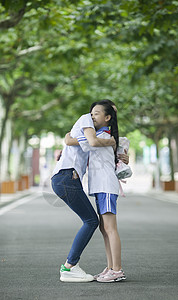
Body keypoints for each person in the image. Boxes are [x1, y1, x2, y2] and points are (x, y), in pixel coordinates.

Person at [65, 101, 127, 283]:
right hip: (101, 187)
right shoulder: (104, 135)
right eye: (91, 114)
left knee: (110, 228)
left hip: (106, 186)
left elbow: (69, 139)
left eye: (96, 114)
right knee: (104, 228)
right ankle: (110, 267)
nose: (91, 117)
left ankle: (117, 269)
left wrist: (70, 134)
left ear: (108, 118)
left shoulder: (101, 135)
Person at [51, 112, 116, 282]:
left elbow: (77, 141)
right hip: (66, 177)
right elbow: (90, 142)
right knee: (91, 221)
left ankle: (70, 266)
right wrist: (110, 142)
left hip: (67, 178)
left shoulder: (92, 132)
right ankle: (69, 266)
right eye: (95, 112)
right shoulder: (86, 119)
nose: (95, 117)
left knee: (91, 221)